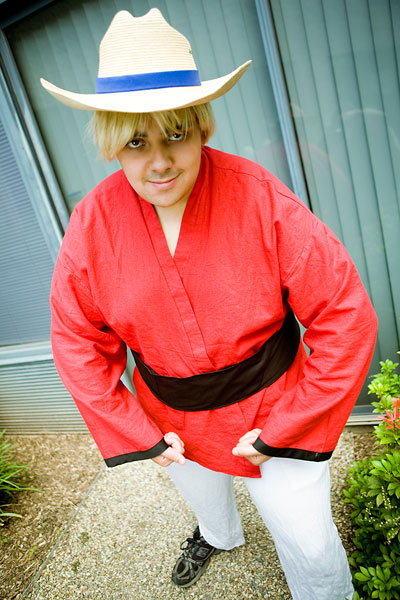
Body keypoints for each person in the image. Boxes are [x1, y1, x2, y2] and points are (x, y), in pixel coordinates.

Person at [41, 8, 377, 600]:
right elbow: (76, 338)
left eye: (175, 133)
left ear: (201, 126)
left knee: (310, 542)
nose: (160, 161)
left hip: (274, 402)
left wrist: (289, 423)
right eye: (136, 141)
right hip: (173, 417)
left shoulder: (259, 197)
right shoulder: (92, 225)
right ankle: (219, 536)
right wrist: (135, 427)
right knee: (205, 503)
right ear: (112, 144)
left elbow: (344, 313)